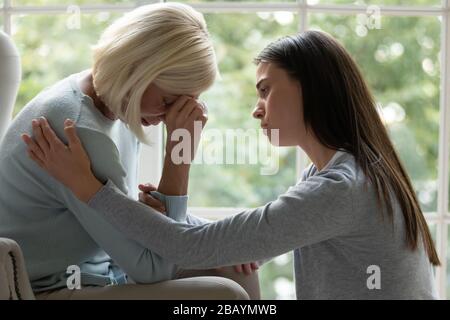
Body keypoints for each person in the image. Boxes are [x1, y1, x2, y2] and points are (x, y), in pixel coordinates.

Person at [23, 30, 440, 299]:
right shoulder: (342, 174)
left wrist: (90, 190)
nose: (257, 111)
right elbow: (221, 239)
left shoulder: (340, 189)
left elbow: (189, 249)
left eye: (265, 91)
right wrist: (171, 215)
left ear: (310, 89)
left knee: (219, 298)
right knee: (232, 288)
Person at [1, 2, 259, 300]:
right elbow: (153, 268)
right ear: (137, 71)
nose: (169, 118)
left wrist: (221, 239)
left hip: (101, 270)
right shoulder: (80, 130)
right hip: (47, 287)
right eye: (168, 101)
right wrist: (180, 153)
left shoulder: (111, 101)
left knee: (238, 267)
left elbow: (130, 221)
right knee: (225, 295)